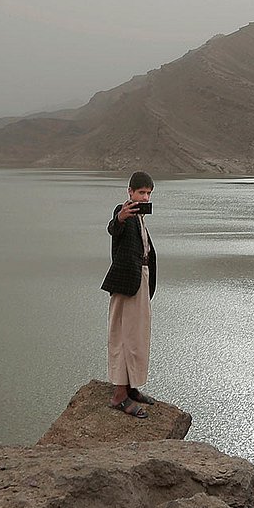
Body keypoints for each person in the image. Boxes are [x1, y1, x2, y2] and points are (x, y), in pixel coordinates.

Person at [101, 170, 157, 418]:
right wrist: (120, 219)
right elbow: (114, 228)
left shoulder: (140, 217)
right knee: (123, 336)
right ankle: (119, 396)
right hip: (126, 283)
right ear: (130, 192)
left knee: (136, 337)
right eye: (141, 192)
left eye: (148, 193)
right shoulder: (123, 212)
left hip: (140, 281)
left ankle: (131, 386)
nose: (145, 197)